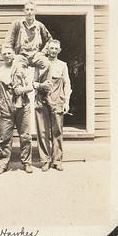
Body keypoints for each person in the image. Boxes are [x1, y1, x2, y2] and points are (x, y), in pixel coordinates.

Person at [0, 44, 33, 174]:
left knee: (25, 136)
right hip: (6, 107)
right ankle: (3, 163)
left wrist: (21, 89)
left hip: (23, 106)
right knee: (5, 137)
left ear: (13, 54)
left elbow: (31, 86)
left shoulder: (21, 69)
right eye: (4, 53)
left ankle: (26, 162)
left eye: (9, 53)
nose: (7, 56)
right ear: (1, 55)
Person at [33, 39, 72, 172]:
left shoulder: (63, 65)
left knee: (57, 131)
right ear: (47, 49)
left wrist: (66, 101)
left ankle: (57, 160)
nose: (53, 51)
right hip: (41, 99)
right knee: (43, 131)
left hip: (57, 100)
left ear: (59, 50)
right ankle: (45, 160)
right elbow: (33, 83)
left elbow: (67, 84)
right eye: (51, 48)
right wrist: (40, 85)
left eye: (56, 48)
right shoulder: (40, 65)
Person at [5, 2, 53, 77]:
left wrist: (43, 53)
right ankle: (21, 88)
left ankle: (40, 85)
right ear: (24, 11)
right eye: (27, 9)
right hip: (21, 56)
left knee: (47, 64)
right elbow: (8, 42)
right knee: (15, 67)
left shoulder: (39, 26)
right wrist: (14, 55)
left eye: (32, 9)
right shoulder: (17, 24)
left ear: (35, 11)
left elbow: (50, 41)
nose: (29, 12)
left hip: (36, 57)